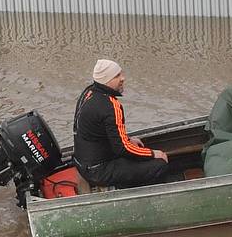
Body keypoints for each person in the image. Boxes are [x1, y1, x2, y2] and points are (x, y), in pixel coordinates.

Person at [72, 59, 171, 188]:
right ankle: (138, 195)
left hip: (82, 164)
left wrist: (128, 140)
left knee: (138, 148)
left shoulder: (88, 93)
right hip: (99, 170)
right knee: (160, 164)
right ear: (106, 80)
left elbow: (99, 130)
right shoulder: (111, 105)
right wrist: (154, 154)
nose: (123, 78)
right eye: (117, 76)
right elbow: (122, 149)